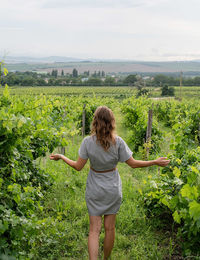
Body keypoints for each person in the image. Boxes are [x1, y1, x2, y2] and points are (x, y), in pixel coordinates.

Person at [50, 106, 170, 260]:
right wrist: (154, 161)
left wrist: (62, 156)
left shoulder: (87, 142)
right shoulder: (118, 142)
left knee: (94, 230)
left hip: (94, 189)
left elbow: (78, 167)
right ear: (112, 122)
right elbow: (133, 164)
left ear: (95, 122)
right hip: (112, 189)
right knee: (110, 229)